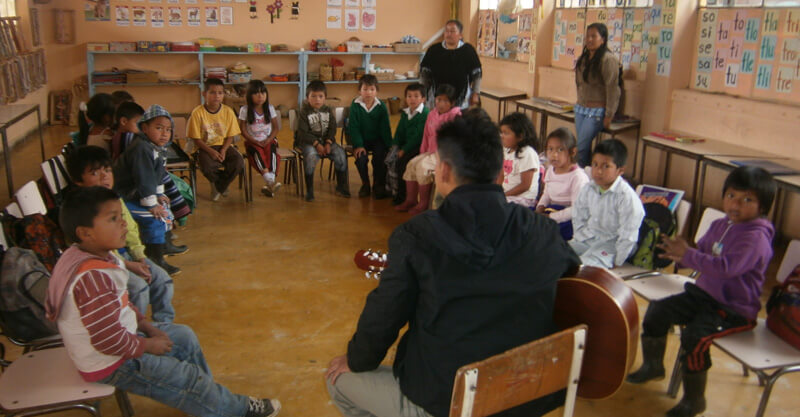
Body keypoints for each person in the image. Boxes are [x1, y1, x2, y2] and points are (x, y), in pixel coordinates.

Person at [325, 113, 581, 417]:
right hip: (528, 397)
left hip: (449, 401)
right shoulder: (542, 231)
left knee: (337, 381)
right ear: (501, 173)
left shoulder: (417, 236)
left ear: (443, 171)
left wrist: (356, 361)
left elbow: (382, 320)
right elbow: (573, 278)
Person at [46, 186, 281, 417]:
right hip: (110, 363)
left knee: (184, 337)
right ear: (85, 233)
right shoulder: (92, 278)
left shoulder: (97, 255)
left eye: (120, 216)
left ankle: (208, 400)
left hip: (122, 341)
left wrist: (148, 327)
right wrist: (147, 345)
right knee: (186, 377)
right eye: (113, 219)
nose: (123, 223)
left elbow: (122, 305)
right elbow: (106, 340)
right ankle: (235, 409)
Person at [626, 166, 777, 417]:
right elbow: (701, 252)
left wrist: (690, 255)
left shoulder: (756, 238)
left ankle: (694, 400)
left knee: (694, 338)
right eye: (731, 196)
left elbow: (726, 268)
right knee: (657, 310)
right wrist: (679, 256)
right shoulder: (721, 224)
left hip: (733, 310)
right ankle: (653, 366)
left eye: (747, 200)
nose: (736, 204)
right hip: (704, 295)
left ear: (763, 207)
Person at [66, 145, 175, 323]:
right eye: (95, 173)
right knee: (138, 288)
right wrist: (128, 265)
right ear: (78, 180)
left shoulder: (113, 198)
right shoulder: (82, 210)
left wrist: (139, 256)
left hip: (126, 256)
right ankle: (132, 331)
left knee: (162, 280)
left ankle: (163, 324)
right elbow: (98, 250)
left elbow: (130, 228)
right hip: (102, 263)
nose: (104, 177)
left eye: (107, 170)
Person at [114, 105, 182, 275]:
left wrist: (159, 194)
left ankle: (164, 246)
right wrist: (152, 204)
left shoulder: (157, 147)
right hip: (124, 197)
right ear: (144, 128)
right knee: (156, 218)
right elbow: (144, 178)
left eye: (168, 129)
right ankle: (155, 259)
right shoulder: (142, 148)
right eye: (158, 128)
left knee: (165, 209)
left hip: (139, 194)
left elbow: (157, 174)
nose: (164, 133)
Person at [569, 139, 643, 268]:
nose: (598, 171)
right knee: (556, 254)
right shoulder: (589, 188)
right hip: (588, 239)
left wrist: (618, 262)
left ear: (620, 170)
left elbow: (628, 236)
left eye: (606, 166)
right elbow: (579, 216)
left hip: (612, 246)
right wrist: (579, 236)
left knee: (579, 268)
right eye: (595, 164)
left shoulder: (626, 197)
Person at [394, 84, 461, 215]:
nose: (441, 104)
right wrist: (422, 151)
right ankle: (410, 199)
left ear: (452, 103)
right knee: (411, 164)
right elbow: (426, 135)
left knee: (423, 167)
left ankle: (423, 203)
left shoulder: (454, 116)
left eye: (446, 101)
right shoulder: (432, 114)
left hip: (443, 154)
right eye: (438, 100)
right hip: (429, 151)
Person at [188, 78, 245, 202]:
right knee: (207, 166)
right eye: (212, 92)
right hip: (204, 147)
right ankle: (220, 185)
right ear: (204, 94)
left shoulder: (228, 112)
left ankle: (218, 186)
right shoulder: (197, 113)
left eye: (220, 93)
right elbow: (197, 139)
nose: (217, 96)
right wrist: (211, 151)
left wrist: (224, 149)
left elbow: (230, 136)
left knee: (238, 162)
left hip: (224, 145)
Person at [574, 22, 621, 167]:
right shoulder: (584, 58)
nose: (589, 39)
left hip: (597, 112)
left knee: (580, 147)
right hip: (581, 109)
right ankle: (587, 175)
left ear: (603, 39)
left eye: (594, 36)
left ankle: (578, 178)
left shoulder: (608, 59)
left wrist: (609, 114)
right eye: (587, 36)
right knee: (584, 146)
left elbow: (613, 88)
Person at [295, 80, 350, 202]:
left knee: (341, 154)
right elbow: (303, 133)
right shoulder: (304, 112)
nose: (317, 100)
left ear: (325, 98)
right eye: (313, 96)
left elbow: (332, 127)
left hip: (326, 141)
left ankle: (341, 187)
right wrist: (317, 144)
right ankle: (309, 190)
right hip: (308, 142)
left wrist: (329, 142)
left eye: (320, 96)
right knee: (310, 157)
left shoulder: (328, 110)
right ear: (307, 98)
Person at [536, 128, 590, 241]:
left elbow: (576, 210)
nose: (554, 155)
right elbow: (547, 193)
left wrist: (550, 217)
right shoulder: (551, 169)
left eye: (560, 150)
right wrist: (540, 207)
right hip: (550, 210)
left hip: (568, 217)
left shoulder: (578, 177)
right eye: (550, 149)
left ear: (572, 152)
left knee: (543, 233)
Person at [420, 19, 482, 109]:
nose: (449, 34)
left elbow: (477, 74)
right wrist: (422, 93)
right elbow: (424, 73)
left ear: (460, 35)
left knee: (457, 121)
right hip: (437, 96)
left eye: (452, 31)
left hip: (462, 97)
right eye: (446, 31)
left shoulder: (468, 50)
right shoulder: (434, 50)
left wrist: (476, 93)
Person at [348, 74, 392, 199]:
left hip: (377, 139)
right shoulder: (355, 105)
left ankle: (378, 184)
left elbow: (385, 129)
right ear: (359, 91)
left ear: (377, 91)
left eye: (372, 89)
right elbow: (354, 128)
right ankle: (365, 184)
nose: (368, 93)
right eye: (365, 89)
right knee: (361, 158)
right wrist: (358, 145)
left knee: (380, 157)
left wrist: (390, 146)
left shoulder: (381, 106)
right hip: (361, 139)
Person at [386, 83, 429, 206]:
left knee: (402, 164)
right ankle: (391, 189)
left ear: (423, 99)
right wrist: (395, 145)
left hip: (417, 147)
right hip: (404, 146)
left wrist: (403, 150)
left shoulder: (424, 114)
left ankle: (403, 196)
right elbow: (399, 131)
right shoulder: (405, 113)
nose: (412, 99)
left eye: (416, 96)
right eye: (409, 96)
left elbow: (417, 137)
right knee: (389, 159)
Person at [239, 80, 282, 197]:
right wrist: (254, 140)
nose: (260, 96)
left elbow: (276, 128)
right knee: (257, 154)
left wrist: (268, 140)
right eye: (256, 93)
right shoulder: (245, 110)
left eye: (263, 93)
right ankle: (270, 181)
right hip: (252, 141)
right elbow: (242, 130)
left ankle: (270, 181)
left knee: (272, 153)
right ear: (249, 95)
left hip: (268, 139)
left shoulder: (270, 108)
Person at [497, 112, 540, 207]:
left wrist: (503, 195)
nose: (502, 136)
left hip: (524, 198)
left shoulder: (527, 153)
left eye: (506, 133)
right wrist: (497, 192)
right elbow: (501, 175)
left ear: (520, 136)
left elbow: (525, 185)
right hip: (508, 196)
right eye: (501, 132)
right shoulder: (506, 150)